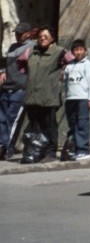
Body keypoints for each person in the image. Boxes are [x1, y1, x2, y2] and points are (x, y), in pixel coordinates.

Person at [18, 27, 72, 163]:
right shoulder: (31, 51)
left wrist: (63, 73)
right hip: (32, 97)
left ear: (52, 38)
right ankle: (37, 152)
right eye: (40, 36)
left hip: (49, 97)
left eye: (46, 36)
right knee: (35, 127)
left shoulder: (59, 52)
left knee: (50, 127)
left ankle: (51, 152)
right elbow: (20, 64)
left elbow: (72, 62)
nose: (42, 38)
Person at [0, 22, 35, 160]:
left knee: (12, 120)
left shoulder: (32, 47)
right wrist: (2, 72)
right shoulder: (12, 47)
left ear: (28, 33)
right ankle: (2, 145)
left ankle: (8, 147)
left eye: (21, 33)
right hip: (6, 88)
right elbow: (7, 65)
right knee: (1, 119)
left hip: (20, 90)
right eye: (16, 33)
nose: (18, 36)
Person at [63, 39, 90, 161]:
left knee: (82, 124)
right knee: (72, 124)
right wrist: (66, 97)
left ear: (85, 51)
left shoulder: (87, 65)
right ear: (72, 52)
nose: (78, 52)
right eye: (76, 50)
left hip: (83, 99)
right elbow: (66, 83)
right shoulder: (69, 65)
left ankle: (84, 150)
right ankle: (74, 150)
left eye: (81, 49)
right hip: (71, 99)